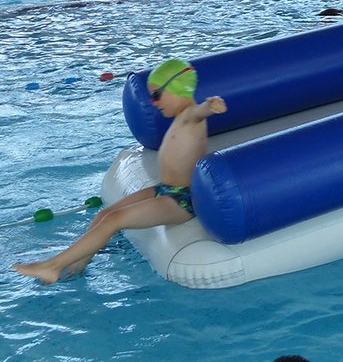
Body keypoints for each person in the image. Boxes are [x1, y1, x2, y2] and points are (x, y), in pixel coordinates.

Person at [13, 59, 227, 283]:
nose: (153, 103)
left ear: (176, 87)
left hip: (181, 200)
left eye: (156, 95)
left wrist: (210, 106)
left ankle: (52, 266)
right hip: (165, 189)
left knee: (114, 220)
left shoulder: (190, 116)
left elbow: (198, 111)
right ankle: (79, 262)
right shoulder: (179, 118)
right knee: (104, 214)